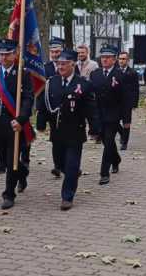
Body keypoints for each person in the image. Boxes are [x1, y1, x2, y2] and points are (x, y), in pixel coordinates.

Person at [37, 50, 100, 210]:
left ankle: (67, 196)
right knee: (59, 163)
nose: (60, 66)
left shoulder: (83, 84)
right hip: (57, 131)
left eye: (64, 63)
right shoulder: (51, 82)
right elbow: (43, 104)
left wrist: (94, 128)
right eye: (58, 63)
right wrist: (41, 123)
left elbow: (91, 109)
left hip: (75, 131)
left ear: (73, 64)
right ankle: (71, 173)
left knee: (71, 164)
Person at [0, 39, 34, 210]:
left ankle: (9, 194)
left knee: (11, 162)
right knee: (3, 161)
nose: (3, 57)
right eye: (1, 54)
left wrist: (21, 119)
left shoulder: (22, 74)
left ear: (15, 54)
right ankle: (23, 173)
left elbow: (28, 99)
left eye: (7, 54)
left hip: (15, 124)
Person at [90, 45, 129, 185]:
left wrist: (126, 119)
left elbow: (125, 99)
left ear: (114, 60)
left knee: (108, 141)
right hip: (98, 114)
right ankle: (116, 159)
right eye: (103, 57)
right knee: (107, 142)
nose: (104, 60)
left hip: (113, 114)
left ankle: (104, 173)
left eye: (108, 57)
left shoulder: (120, 75)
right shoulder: (95, 74)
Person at [36, 37, 64, 178]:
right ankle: (57, 166)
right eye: (52, 52)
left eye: (57, 51)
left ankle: (66, 163)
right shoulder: (44, 68)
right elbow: (40, 91)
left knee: (66, 138)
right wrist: (40, 112)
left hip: (66, 109)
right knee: (55, 139)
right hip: (50, 109)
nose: (55, 54)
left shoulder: (69, 66)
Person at [116, 52, 139, 150]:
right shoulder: (115, 71)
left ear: (128, 60)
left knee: (126, 122)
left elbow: (135, 88)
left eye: (124, 59)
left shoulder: (132, 73)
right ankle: (122, 133)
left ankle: (124, 142)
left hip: (127, 102)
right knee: (114, 121)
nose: (121, 61)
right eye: (120, 59)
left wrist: (134, 102)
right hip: (116, 101)